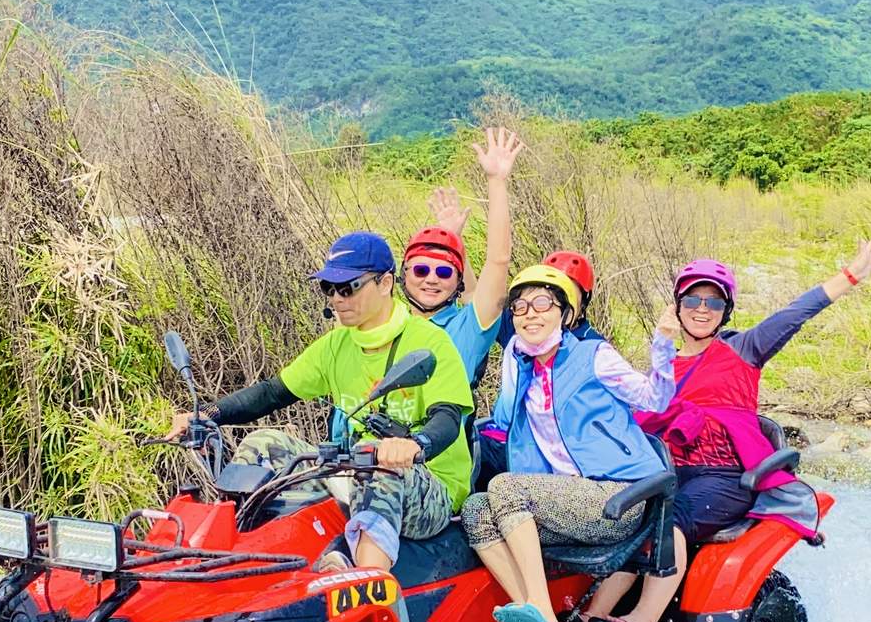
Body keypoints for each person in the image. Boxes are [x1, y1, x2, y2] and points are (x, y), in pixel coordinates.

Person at [584, 240, 871, 622]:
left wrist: (849, 276)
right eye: (693, 299)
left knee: (669, 517)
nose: (702, 308)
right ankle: (591, 616)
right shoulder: (662, 368)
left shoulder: (744, 349)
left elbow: (794, 314)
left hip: (726, 478)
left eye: (714, 301)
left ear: (725, 311)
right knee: (633, 517)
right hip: (668, 473)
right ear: (677, 306)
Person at [167, 232, 475, 574]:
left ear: (386, 283)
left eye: (348, 287)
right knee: (262, 444)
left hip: (428, 487)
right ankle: (239, 560)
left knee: (377, 463)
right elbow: (272, 392)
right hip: (354, 470)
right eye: (329, 288)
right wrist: (206, 415)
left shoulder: (430, 342)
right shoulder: (336, 344)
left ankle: (368, 581)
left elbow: (448, 418)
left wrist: (415, 445)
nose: (336, 299)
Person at [459, 265, 679, 622]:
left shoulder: (594, 356)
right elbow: (504, 420)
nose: (530, 314)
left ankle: (541, 612)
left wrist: (662, 344)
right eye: (520, 307)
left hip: (616, 497)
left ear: (565, 313)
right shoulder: (521, 361)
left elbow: (655, 399)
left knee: (505, 487)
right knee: (476, 509)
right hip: (562, 500)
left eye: (543, 303)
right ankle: (534, 618)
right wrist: (514, 365)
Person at [399, 127, 523, 382]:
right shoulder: (391, 325)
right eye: (421, 270)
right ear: (404, 274)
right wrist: (453, 239)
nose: (431, 279)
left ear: (457, 282)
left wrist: (496, 181)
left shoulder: (469, 328)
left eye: (444, 272)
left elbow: (498, 261)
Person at [475, 249, 604, 491]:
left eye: (569, 288)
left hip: (543, 452)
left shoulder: (591, 349)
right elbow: (478, 301)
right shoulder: (524, 326)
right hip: (502, 435)